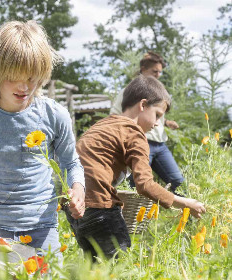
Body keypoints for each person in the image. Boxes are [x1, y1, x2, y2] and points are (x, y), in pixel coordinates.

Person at [0, 20, 85, 255]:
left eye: (32, 77)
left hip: (42, 229)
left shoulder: (54, 114)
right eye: (14, 77)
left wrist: (78, 189)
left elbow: (72, 163)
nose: (24, 87)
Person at [66, 75, 206, 260]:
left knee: (95, 268)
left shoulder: (103, 125)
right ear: (143, 105)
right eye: (157, 115)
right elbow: (144, 184)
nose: (157, 123)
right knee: (119, 264)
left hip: (74, 207)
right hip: (99, 207)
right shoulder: (134, 133)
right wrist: (184, 203)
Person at [110, 51, 183, 194]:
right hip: (141, 141)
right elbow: (115, 114)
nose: (158, 75)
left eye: (160, 72)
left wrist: (166, 122)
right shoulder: (131, 91)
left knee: (177, 180)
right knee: (137, 185)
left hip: (160, 144)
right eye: (154, 71)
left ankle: (187, 213)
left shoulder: (158, 93)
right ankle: (134, 215)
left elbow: (154, 117)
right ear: (143, 69)